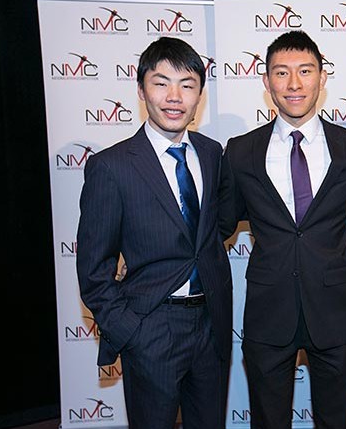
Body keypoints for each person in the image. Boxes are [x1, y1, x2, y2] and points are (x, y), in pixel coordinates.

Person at [76, 37, 232, 429]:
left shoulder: (213, 153)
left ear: (200, 94)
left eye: (188, 84)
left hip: (210, 325)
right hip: (151, 328)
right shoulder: (112, 167)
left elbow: (212, 231)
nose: (174, 96)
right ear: (141, 89)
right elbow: (94, 270)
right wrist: (131, 331)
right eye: (161, 83)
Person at [219, 30, 346, 429]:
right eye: (281, 73)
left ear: (322, 78)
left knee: (336, 421)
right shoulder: (240, 151)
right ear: (266, 82)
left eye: (305, 71)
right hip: (268, 314)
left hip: (336, 312)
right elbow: (219, 225)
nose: (294, 84)